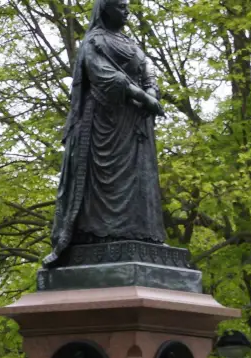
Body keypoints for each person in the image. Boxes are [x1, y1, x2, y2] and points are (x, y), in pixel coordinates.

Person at [44, 0, 167, 268]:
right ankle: (96, 236)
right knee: (103, 180)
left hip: (133, 125)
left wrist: (152, 91)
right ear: (105, 9)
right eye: (121, 6)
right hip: (103, 123)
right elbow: (107, 76)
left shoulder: (130, 43)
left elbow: (147, 68)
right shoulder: (94, 42)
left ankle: (139, 232)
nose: (127, 10)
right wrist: (143, 98)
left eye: (127, 6)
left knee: (138, 179)